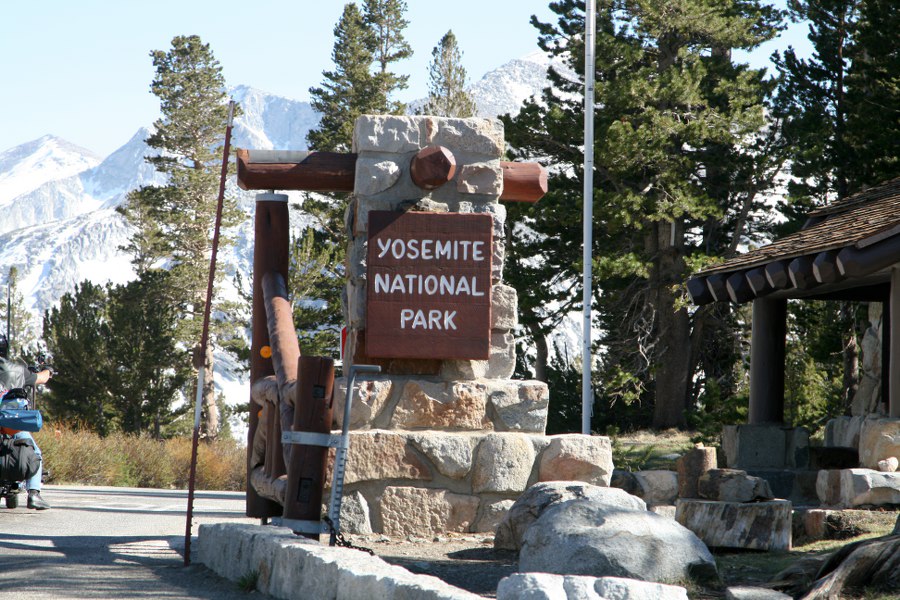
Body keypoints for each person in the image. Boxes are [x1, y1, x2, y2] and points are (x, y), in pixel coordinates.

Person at [0, 334, 51, 510]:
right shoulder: (17, 370)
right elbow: (42, 378)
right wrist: (48, 370)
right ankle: (34, 494)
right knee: (34, 452)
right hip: (10, 424)